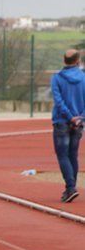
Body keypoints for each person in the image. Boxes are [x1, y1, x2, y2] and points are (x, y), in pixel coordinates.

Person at [50, 49, 85, 203]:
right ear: (77, 61)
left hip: (61, 121)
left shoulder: (57, 78)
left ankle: (71, 187)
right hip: (78, 122)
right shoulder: (84, 77)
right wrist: (80, 118)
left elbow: (59, 101)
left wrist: (70, 117)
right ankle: (70, 187)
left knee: (63, 155)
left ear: (64, 61)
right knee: (73, 155)